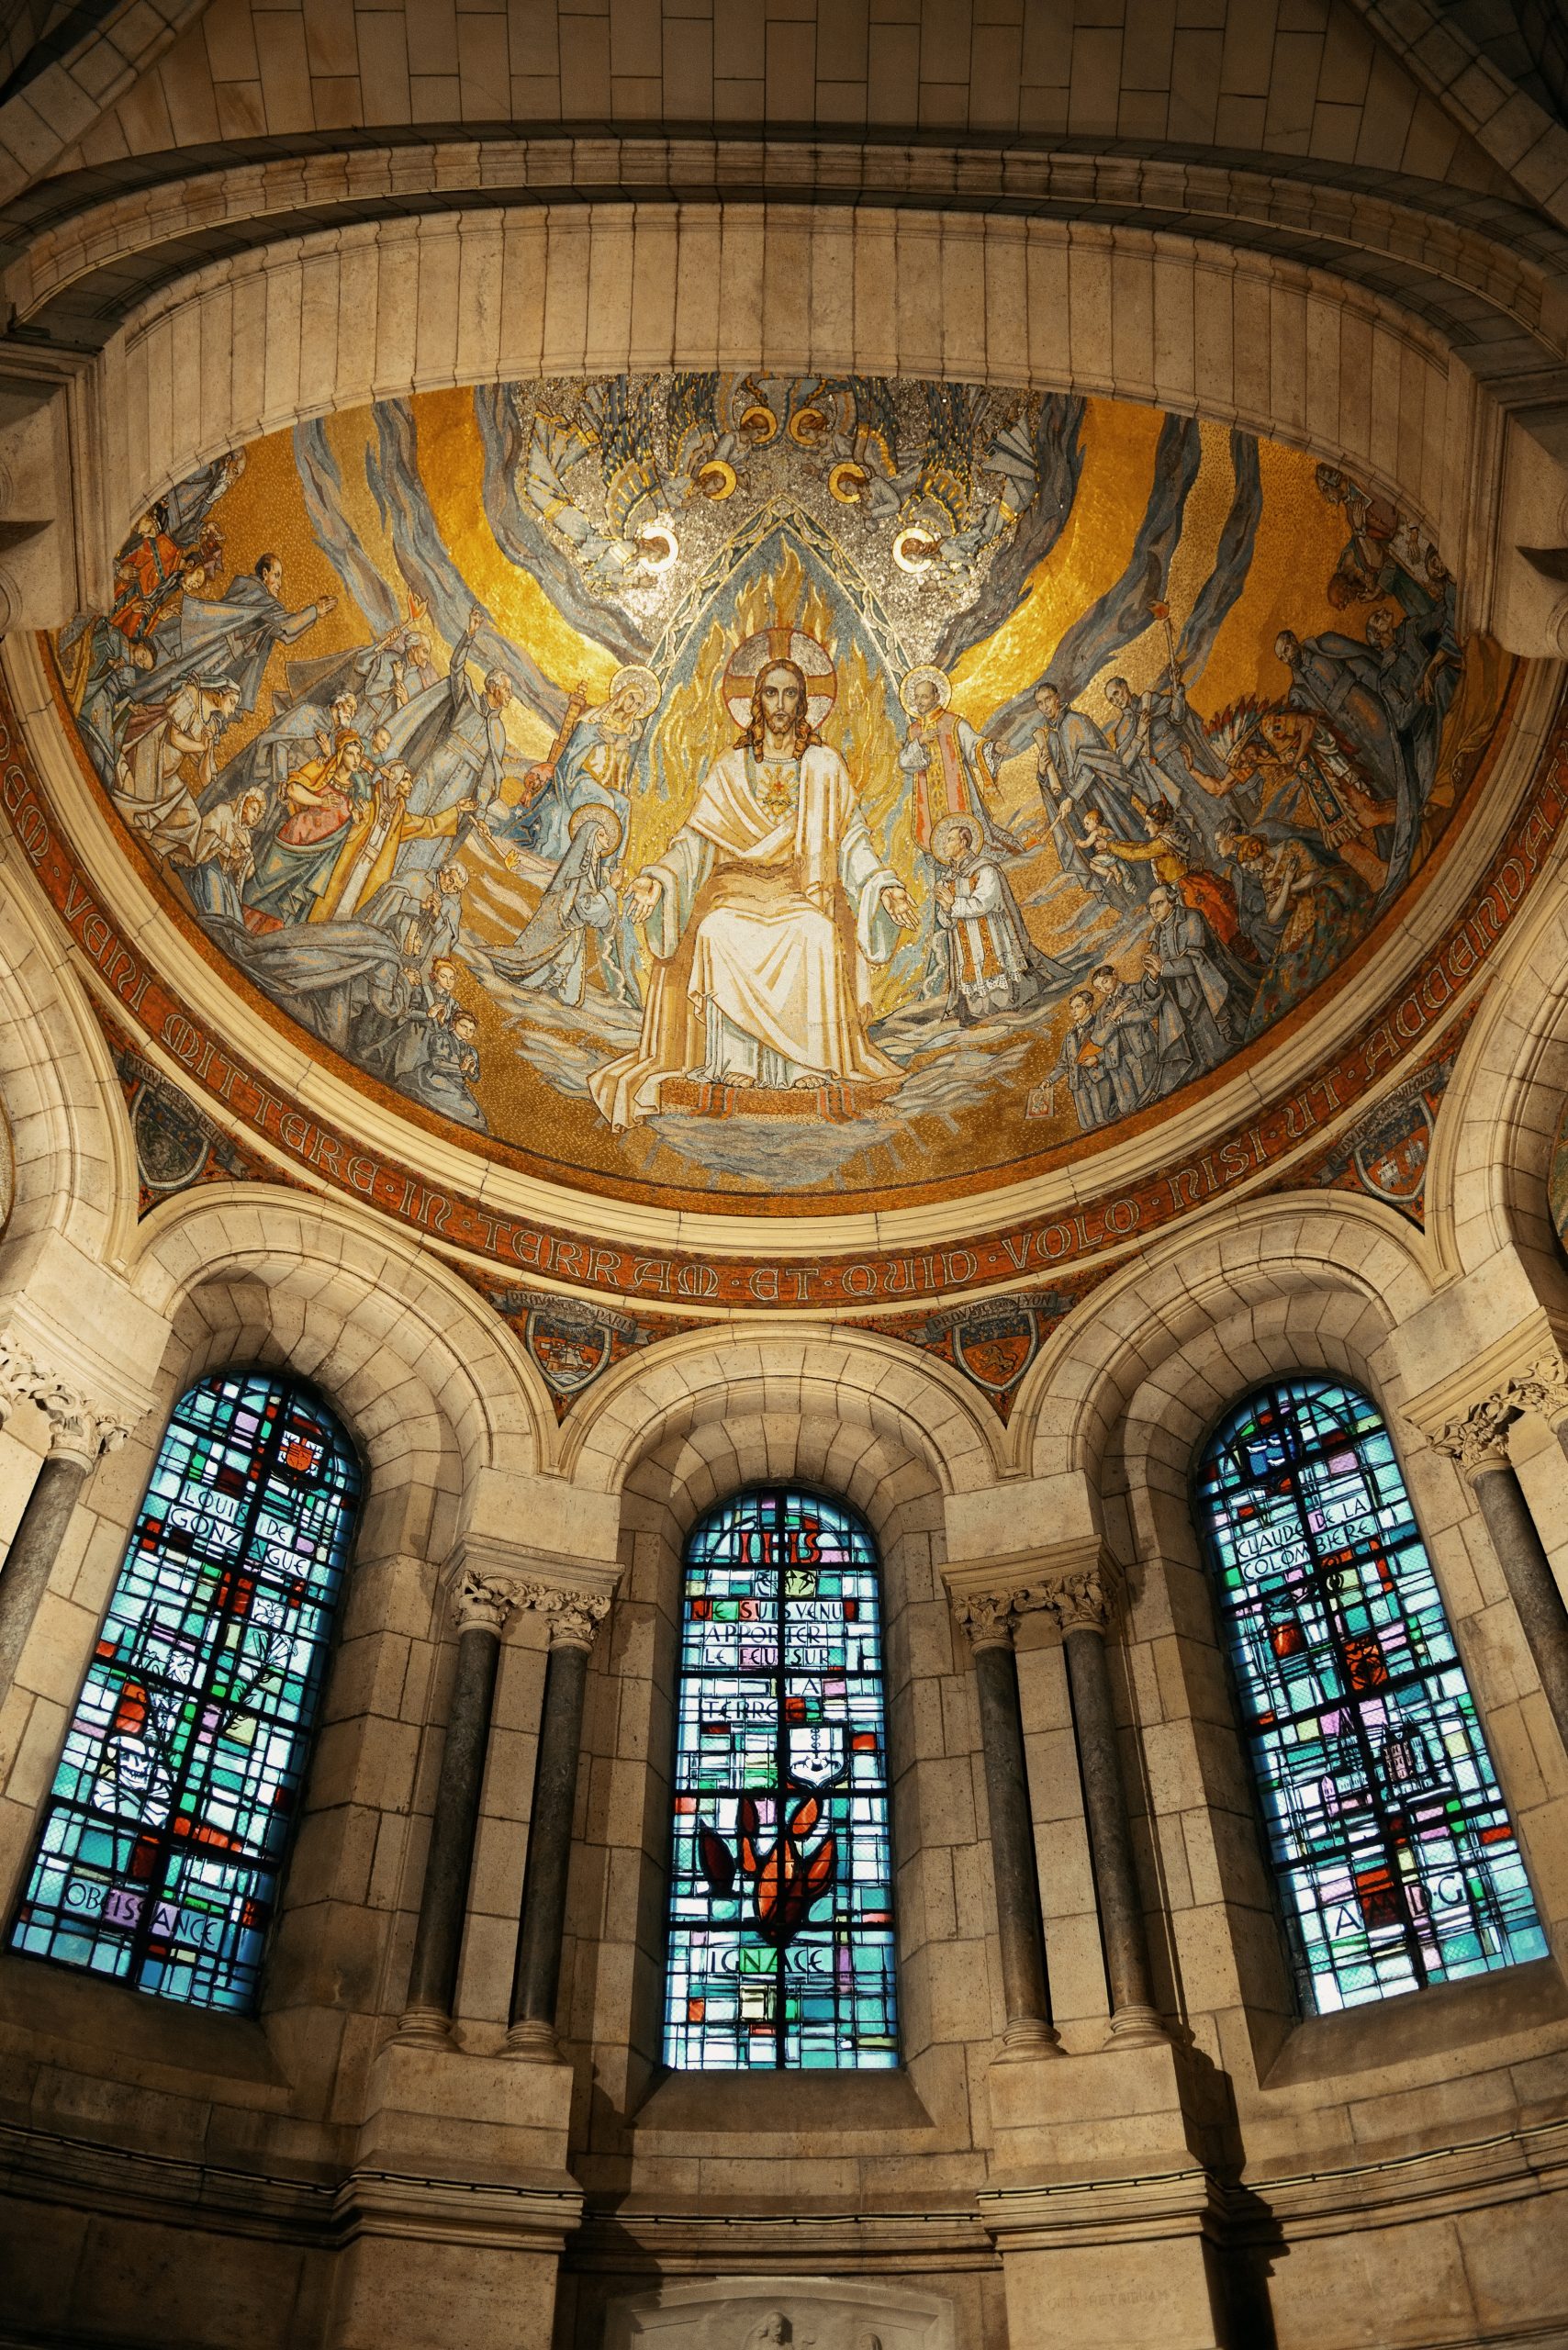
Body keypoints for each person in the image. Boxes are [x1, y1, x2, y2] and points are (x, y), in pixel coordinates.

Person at [589, 648, 916, 1128]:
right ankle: (734, 1063)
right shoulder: (730, 766)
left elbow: (852, 841)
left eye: (790, 693)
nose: (780, 703)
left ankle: (809, 1062)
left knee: (817, 934)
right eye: (770, 692)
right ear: (756, 701)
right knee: (718, 931)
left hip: (797, 892)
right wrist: (656, 879)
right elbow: (694, 841)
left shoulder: (824, 766)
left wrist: (883, 886)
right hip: (737, 891)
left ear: (804, 703)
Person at [133, 553, 337, 715]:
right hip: (218, 648)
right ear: (264, 573)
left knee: (185, 681)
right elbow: (287, 625)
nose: (279, 583)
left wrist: (313, 616)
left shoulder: (258, 600)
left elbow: (285, 633)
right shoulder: (256, 594)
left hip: (225, 655)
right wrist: (314, 611)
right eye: (277, 575)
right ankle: (140, 701)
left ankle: (146, 706)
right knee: (181, 676)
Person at [931, 817, 1066, 1024]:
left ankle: (1009, 1004)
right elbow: (946, 921)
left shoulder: (985, 869)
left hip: (992, 934)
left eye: (950, 839)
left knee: (997, 976)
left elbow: (984, 903)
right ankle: (978, 1011)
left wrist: (953, 903)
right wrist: (946, 909)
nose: (944, 845)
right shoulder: (947, 879)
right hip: (965, 942)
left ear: (963, 842)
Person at [1233, 830, 1370, 1033]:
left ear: (1256, 852)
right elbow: (1272, 916)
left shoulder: (1291, 846)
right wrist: (1287, 884)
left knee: (1321, 930)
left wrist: (1290, 887)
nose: (1252, 871)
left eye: (1250, 866)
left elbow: (1316, 874)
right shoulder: (1266, 876)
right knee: (1285, 963)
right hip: (1301, 909)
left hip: (1323, 890)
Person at [487, 804, 622, 1007]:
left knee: (568, 992)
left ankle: (545, 992)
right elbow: (585, 906)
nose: (607, 840)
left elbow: (588, 905)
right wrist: (610, 889)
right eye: (602, 835)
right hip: (563, 922)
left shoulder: (591, 868)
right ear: (590, 837)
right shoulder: (580, 869)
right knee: (540, 965)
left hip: (571, 925)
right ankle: (533, 991)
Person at [243, 731, 371, 931]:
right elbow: (292, 789)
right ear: (340, 753)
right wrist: (321, 801)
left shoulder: (356, 790)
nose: (356, 760)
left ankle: (260, 938)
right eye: (351, 753)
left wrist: (357, 819)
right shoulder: (320, 768)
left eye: (358, 755)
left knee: (287, 905)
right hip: (292, 843)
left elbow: (350, 832)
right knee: (260, 887)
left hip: (317, 859)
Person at [898, 666, 1014, 854]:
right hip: (928, 799)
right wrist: (920, 741)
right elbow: (904, 762)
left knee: (974, 838)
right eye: (917, 697)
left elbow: (973, 745)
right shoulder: (914, 731)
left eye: (925, 697)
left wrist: (992, 747)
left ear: (936, 696)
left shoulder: (953, 723)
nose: (920, 702)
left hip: (959, 791)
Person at [1139, 881, 1237, 1085]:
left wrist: (1163, 969)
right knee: (1197, 1050)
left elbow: (1196, 958)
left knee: (1218, 1045)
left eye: (1158, 904)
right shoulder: (1155, 936)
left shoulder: (1191, 918)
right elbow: (1149, 987)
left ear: (1172, 901)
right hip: (1176, 1003)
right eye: (1150, 906)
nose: (1154, 910)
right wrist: (1153, 977)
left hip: (1202, 992)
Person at [1034, 985, 1114, 1132]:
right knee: (1087, 1126)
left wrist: (1097, 1058)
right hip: (1078, 1086)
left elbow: (1114, 1049)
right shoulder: (1070, 1036)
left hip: (1099, 1080)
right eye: (1071, 1008)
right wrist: (1049, 1080)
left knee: (1105, 1120)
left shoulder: (1101, 1025)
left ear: (1089, 1006)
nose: (1073, 1011)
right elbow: (1063, 1064)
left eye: (1078, 1006)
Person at [1087, 961, 1159, 1118]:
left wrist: (1122, 1018)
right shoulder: (1103, 1010)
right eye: (1099, 987)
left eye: (1105, 981)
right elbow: (1098, 1039)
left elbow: (1148, 1012)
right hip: (1117, 1061)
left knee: (1149, 1096)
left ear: (1115, 974)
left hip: (1141, 1052)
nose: (1104, 988)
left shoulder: (1134, 990)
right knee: (1127, 1106)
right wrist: (1113, 1017)